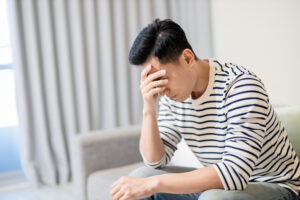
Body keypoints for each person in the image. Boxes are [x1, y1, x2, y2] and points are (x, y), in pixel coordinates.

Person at [109, 18, 300, 200]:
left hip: (278, 187)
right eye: (153, 81)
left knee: (212, 197)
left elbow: (234, 173)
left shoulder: (240, 85)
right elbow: (155, 161)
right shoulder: (171, 95)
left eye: (162, 78)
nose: (161, 90)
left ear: (187, 58)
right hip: (224, 187)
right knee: (141, 175)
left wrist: (154, 184)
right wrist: (148, 108)